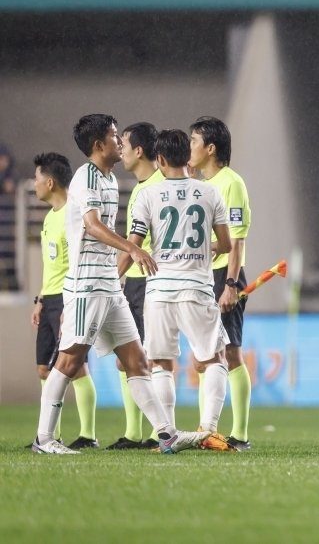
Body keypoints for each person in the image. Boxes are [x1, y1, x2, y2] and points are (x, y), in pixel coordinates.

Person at [32, 113, 208, 454]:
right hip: (87, 285)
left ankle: (167, 434)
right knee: (69, 361)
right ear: (99, 145)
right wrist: (132, 248)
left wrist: (123, 261)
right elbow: (93, 226)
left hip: (109, 285)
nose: (119, 142)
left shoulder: (110, 179)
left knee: (136, 361)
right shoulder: (86, 178)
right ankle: (45, 439)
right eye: (114, 137)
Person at [128, 129, 234, 450]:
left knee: (161, 364)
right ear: (187, 157)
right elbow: (227, 244)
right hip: (197, 289)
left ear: (159, 160)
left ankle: (169, 436)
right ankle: (209, 431)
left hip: (159, 290)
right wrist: (205, 248)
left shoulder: (147, 195)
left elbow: (133, 245)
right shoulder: (210, 192)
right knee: (214, 359)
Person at [189, 116, 253, 451]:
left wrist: (230, 283)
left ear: (211, 148)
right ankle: (206, 429)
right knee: (205, 355)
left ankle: (240, 435)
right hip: (200, 276)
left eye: (194, 141)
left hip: (223, 275)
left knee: (230, 352)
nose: (189, 148)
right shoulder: (198, 184)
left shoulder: (231, 183)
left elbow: (237, 240)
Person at [30, 152, 98, 449]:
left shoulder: (74, 213)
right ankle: (51, 434)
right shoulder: (49, 217)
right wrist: (40, 299)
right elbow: (52, 265)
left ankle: (88, 435)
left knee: (76, 366)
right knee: (44, 369)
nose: (34, 185)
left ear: (50, 181)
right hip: (50, 299)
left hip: (68, 297)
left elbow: (76, 263)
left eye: (36, 179)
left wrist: (67, 303)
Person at [108, 122, 164, 450]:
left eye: (125, 144)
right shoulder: (146, 186)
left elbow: (134, 245)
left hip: (150, 284)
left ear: (139, 151)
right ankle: (134, 432)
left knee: (149, 359)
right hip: (138, 285)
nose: (121, 150)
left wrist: (110, 276)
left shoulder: (152, 189)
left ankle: (156, 432)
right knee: (126, 358)